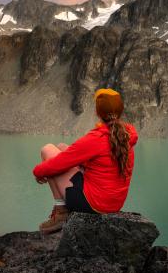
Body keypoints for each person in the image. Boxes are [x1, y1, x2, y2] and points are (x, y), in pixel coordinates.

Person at [32, 88, 138, 234]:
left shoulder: (97, 138)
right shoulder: (126, 135)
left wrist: (38, 172)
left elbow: (57, 164)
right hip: (114, 203)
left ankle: (61, 212)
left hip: (94, 203)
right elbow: (103, 163)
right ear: (120, 111)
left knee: (48, 150)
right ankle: (63, 210)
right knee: (62, 147)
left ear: (97, 112)